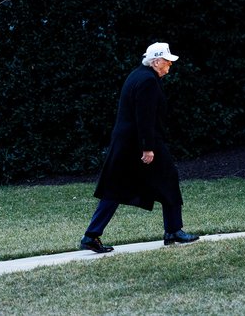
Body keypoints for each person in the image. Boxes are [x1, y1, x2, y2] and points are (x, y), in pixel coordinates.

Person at [80, 42, 199, 253]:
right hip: (140, 142)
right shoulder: (147, 81)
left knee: (116, 187)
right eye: (167, 62)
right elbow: (144, 117)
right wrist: (147, 148)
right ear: (156, 61)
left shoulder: (138, 75)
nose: (170, 66)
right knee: (168, 178)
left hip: (127, 142)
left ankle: (91, 236)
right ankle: (173, 230)